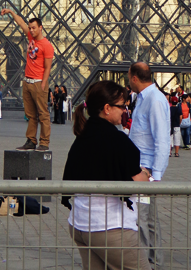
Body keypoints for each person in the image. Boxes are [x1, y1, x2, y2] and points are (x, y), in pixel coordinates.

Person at [62, 80, 151, 270]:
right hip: (110, 227)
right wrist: (145, 174)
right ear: (107, 108)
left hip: (80, 224)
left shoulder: (82, 137)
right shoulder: (117, 140)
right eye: (122, 106)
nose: (124, 111)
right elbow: (135, 182)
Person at [127, 61, 170, 269]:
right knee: (149, 220)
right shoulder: (145, 98)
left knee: (140, 219)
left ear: (135, 78)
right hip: (143, 168)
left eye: (128, 77)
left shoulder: (154, 99)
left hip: (146, 171)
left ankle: (143, 263)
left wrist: (155, 176)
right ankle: (154, 261)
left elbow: (162, 140)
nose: (128, 81)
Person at [0, 9, 54, 151]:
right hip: (28, 81)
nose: (31, 30)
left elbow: (48, 68)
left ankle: (44, 142)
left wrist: (43, 84)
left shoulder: (47, 45)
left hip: (38, 82)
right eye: (30, 28)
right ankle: (31, 140)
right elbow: (20, 23)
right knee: (30, 115)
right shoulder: (31, 37)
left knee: (43, 114)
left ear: (40, 27)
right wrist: (11, 12)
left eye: (33, 28)